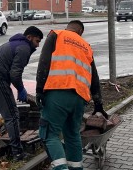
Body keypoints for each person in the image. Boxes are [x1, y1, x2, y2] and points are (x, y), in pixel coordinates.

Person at [35, 20, 106, 170]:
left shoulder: (57, 35)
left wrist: (39, 89)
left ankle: (61, 168)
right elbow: (94, 78)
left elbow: (44, 62)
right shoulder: (86, 46)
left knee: (50, 134)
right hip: (80, 98)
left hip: (57, 92)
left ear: (68, 28)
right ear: (80, 32)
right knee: (73, 135)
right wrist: (98, 103)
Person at [0, 25, 44, 161]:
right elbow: (15, 74)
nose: (37, 46)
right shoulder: (24, 48)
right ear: (29, 37)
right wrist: (21, 89)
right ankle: (18, 153)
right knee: (12, 116)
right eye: (37, 41)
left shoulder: (16, 44)